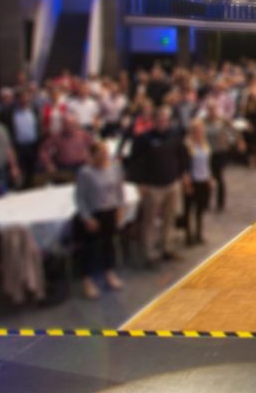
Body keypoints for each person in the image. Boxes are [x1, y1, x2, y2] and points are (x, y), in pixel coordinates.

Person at [130, 107, 187, 265]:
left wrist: (183, 174)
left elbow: (181, 155)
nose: (163, 123)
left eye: (165, 120)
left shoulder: (174, 135)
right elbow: (135, 163)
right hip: (153, 186)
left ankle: (166, 248)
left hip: (172, 184)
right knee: (149, 221)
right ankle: (148, 253)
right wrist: (140, 182)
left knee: (170, 218)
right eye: (159, 120)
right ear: (153, 121)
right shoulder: (143, 139)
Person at [74, 141, 126, 299]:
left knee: (109, 244)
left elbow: (119, 190)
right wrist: (87, 218)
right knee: (89, 249)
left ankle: (110, 273)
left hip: (110, 211)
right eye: (101, 152)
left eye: (106, 151)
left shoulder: (115, 167)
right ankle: (86, 281)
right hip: (93, 214)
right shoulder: (85, 172)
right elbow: (79, 198)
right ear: (93, 154)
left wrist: (120, 208)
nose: (104, 154)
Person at [182, 119, 213, 245]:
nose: (199, 132)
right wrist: (187, 182)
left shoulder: (205, 143)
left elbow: (207, 163)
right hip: (192, 180)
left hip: (204, 179)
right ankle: (188, 235)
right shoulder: (188, 145)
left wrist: (210, 177)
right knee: (189, 209)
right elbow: (185, 165)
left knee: (200, 209)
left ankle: (198, 234)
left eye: (200, 130)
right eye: (196, 130)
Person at [39, 115, 93, 182]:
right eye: (66, 124)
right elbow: (44, 150)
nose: (69, 127)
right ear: (62, 125)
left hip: (81, 166)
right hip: (64, 168)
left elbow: (94, 147)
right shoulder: (56, 136)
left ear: (75, 124)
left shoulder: (83, 134)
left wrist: (91, 158)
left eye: (71, 124)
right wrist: (48, 164)